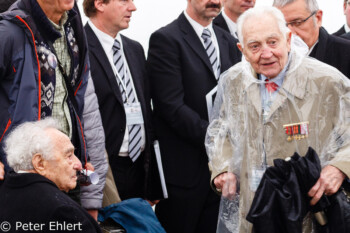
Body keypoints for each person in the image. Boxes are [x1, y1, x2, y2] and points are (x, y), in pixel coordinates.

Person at [206, 6, 350, 233]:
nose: (266, 53)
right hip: (253, 211)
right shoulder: (233, 82)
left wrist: (340, 167)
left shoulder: (326, 80)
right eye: (255, 46)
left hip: (309, 214)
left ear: (288, 39)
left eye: (273, 42)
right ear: (242, 50)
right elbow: (220, 133)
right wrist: (222, 169)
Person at [0, 0, 108, 219]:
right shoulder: (9, 31)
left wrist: (90, 187)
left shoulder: (75, 28)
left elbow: (81, 104)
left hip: (66, 171)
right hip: (24, 176)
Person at [147, 0, 241, 232]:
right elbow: (171, 107)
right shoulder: (166, 39)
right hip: (186, 175)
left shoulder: (228, 40)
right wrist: (217, 140)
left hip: (226, 175)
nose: (215, 2)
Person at [82, 0, 158, 202]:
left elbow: (147, 115)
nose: (133, 7)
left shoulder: (134, 49)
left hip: (139, 167)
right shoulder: (79, 49)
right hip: (103, 170)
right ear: (99, 4)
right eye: (124, 1)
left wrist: (152, 181)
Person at [0, 119, 101, 233]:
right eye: (69, 156)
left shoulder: (5, 192)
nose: (78, 164)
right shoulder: (63, 213)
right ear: (40, 163)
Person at [273, 0, 350, 78]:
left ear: (318, 18)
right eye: (282, 25)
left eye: (297, 23)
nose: (290, 33)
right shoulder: (269, 60)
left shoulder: (346, 54)